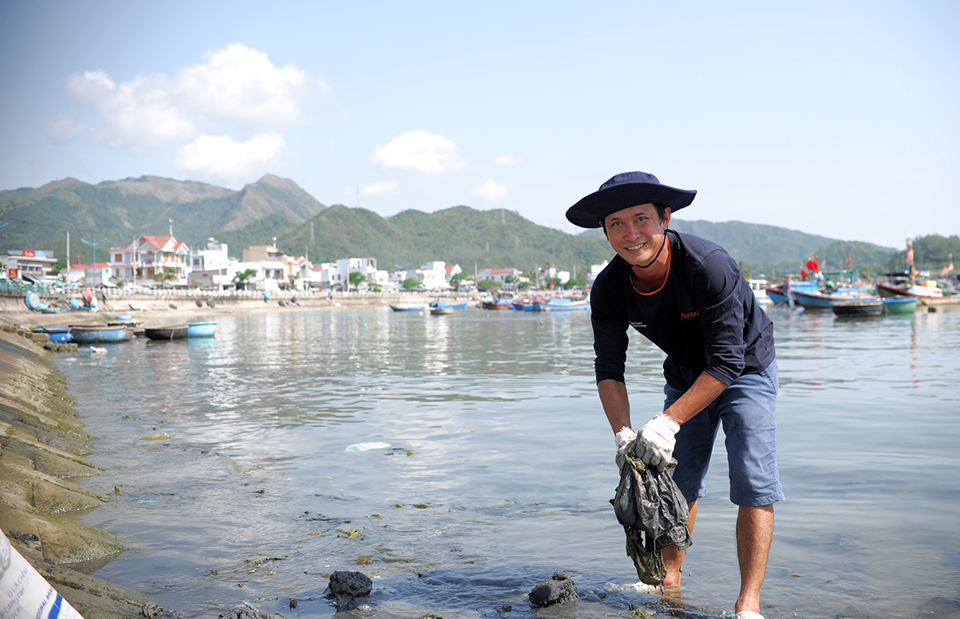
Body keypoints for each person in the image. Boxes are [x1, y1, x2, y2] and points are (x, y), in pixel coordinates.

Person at [566, 171, 782, 619]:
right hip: (685, 375)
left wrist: (666, 422)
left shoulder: (707, 264)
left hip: (747, 368)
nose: (631, 234)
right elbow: (609, 368)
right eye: (617, 225)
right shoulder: (609, 287)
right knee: (675, 481)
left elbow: (726, 362)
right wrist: (624, 434)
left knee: (752, 479)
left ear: (665, 218)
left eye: (641, 219)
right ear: (604, 232)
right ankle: (669, 579)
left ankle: (748, 604)